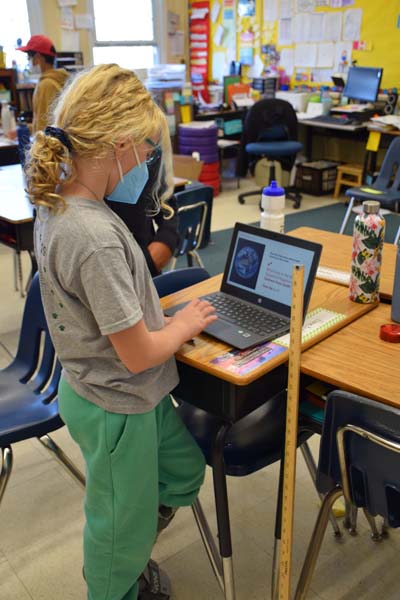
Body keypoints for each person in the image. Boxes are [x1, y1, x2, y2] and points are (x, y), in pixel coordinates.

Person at [25, 63, 217, 600]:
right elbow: (138, 354)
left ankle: (129, 536)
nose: (148, 165)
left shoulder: (67, 203)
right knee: (116, 533)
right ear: (118, 146)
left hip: (132, 393)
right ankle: (118, 574)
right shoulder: (94, 237)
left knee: (182, 470)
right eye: (146, 151)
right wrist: (182, 323)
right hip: (118, 401)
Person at [107, 155, 180, 276]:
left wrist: (165, 242)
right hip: (109, 268)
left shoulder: (151, 154)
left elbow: (167, 205)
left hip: (147, 262)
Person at [17, 35, 69, 133]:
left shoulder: (46, 85)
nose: (29, 62)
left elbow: (44, 125)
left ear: (37, 57)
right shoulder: (57, 79)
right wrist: (26, 128)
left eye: (29, 58)